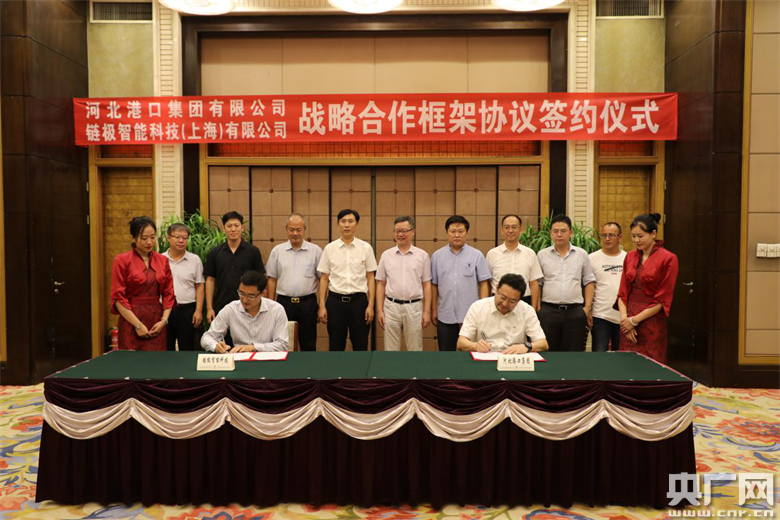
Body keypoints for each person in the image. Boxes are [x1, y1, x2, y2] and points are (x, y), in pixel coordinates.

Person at [617, 213, 679, 364]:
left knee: (652, 362)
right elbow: (622, 292)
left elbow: (663, 299)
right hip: (628, 316)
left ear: (653, 234)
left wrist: (634, 321)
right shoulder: (630, 256)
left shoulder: (668, 258)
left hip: (651, 318)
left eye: (640, 236)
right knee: (627, 362)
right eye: (633, 236)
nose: (636, 240)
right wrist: (625, 320)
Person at [110, 216, 176, 351]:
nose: (149, 242)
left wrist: (163, 321)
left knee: (156, 360)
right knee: (131, 361)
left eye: (153, 237)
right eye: (144, 238)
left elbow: (168, 294)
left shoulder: (163, 260)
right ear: (133, 238)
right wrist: (138, 325)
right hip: (131, 319)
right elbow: (118, 298)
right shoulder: (121, 260)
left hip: (157, 321)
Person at [317, 209, 377, 351]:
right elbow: (324, 278)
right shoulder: (330, 248)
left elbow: (370, 278)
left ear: (357, 224)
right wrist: (322, 306)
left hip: (359, 303)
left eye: (350, 221)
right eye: (343, 221)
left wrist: (371, 305)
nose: (347, 225)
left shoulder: (366, 248)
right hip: (335, 303)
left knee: (360, 345)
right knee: (336, 346)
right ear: (338, 224)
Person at [430, 215, 491, 351]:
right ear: (447, 233)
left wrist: (483, 309)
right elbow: (434, 285)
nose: (457, 235)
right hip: (445, 314)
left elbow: (483, 284)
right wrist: (433, 310)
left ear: (467, 233)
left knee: (471, 352)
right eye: (453, 231)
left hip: (471, 315)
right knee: (446, 353)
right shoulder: (437, 256)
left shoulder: (477, 255)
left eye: (461, 231)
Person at [536, 214, 596, 352]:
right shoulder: (542, 255)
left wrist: (587, 308)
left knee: (574, 352)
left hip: (574, 312)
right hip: (549, 311)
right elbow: (538, 283)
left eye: (563, 231)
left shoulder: (581, 254)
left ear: (571, 232)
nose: (559, 234)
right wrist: (539, 308)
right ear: (550, 233)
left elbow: (588, 281)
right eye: (555, 231)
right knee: (548, 351)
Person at [266, 214, 323, 351]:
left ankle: (308, 366)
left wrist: (322, 305)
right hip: (284, 303)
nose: (295, 233)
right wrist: (271, 305)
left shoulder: (315, 251)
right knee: (283, 343)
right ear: (286, 230)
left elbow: (322, 279)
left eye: (299, 229)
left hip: (308, 303)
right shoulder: (277, 251)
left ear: (305, 230)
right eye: (291, 229)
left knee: (308, 344)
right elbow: (272, 279)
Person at [375, 216, 432, 351]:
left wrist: (426, 312)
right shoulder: (386, 255)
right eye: (397, 231)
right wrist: (380, 311)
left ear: (413, 232)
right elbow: (381, 284)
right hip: (391, 306)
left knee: (414, 349)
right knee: (390, 350)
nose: (400, 234)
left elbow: (427, 285)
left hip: (414, 307)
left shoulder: (422, 256)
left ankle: (414, 367)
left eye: (404, 231)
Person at [201, 271, 289, 353]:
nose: (244, 300)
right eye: (241, 293)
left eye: (250, 296)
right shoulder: (231, 309)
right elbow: (206, 337)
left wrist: (253, 347)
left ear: (263, 293)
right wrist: (215, 346)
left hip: (268, 360)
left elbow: (283, 345)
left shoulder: (277, 310)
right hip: (239, 359)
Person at [457, 274, 548, 354]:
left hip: (513, 359)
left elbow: (543, 344)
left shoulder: (527, 310)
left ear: (519, 300)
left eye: (511, 301)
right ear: (496, 289)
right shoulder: (478, 307)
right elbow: (461, 343)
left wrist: (527, 347)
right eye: (503, 297)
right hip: (485, 357)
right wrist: (476, 346)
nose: (505, 304)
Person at [205, 211, 264, 326]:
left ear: (242, 228)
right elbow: (210, 280)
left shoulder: (253, 251)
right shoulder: (215, 253)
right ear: (224, 229)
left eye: (236, 226)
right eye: (229, 226)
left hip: (248, 307)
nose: (233, 229)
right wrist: (209, 308)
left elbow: (260, 279)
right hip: (222, 306)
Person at [163, 223, 205, 351]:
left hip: (187, 310)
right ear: (168, 237)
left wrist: (198, 310)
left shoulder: (194, 260)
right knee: (166, 348)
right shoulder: (160, 259)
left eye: (184, 238)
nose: (181, 241)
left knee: (187, 348)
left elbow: (199, 285)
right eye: (177, 237)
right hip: (165, 310)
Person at [486, 214, 543, 308]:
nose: (510, 230)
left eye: (514, 227)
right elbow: (488, 283)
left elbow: (534, 283)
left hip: (524, 301)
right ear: (502, 230)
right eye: (507, 227)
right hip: (499, 301)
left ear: (521, 230)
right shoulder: (492, 254)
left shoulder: (530, 253)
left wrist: (533, 308)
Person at [589, 222, 627, 352]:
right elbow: (588, 286)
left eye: (611, 235)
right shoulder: (592, 258)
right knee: (599, 355)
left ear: (620, 237)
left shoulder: (628, 258)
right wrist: (588, 310)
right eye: (604, 235)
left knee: (621, 356)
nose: (607, 239)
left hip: (623, 316)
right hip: (600, 315)